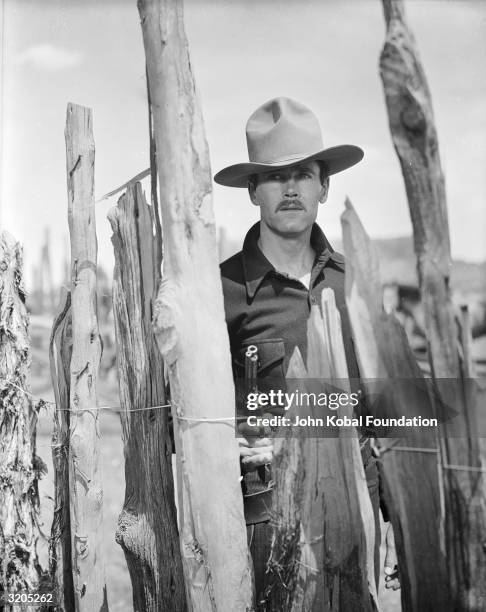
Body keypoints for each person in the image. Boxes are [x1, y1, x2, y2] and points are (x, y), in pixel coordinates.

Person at [214, 97, 399, 602]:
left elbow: (386, 416)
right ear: (253, 189)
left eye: (303, 173)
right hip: (265, 530)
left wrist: (395, 520)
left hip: (358, 524)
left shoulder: (354, 285)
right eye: (275, 176)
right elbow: (176, 417)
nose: (290, 188)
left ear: (324, 184)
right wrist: (224, 437)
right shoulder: (221, 293)